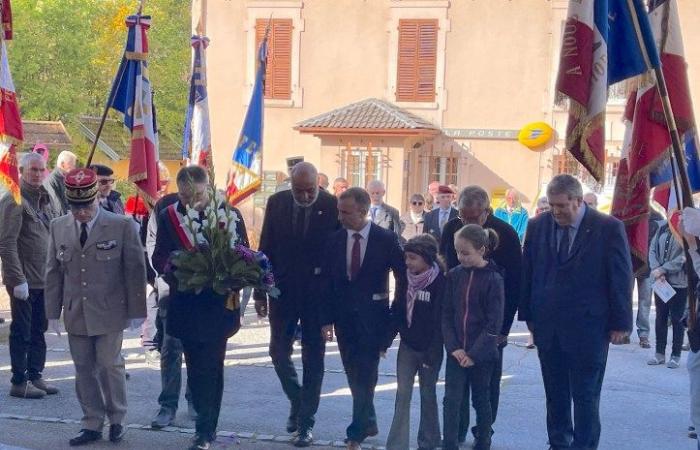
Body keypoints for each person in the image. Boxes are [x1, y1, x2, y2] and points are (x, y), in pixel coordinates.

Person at [519, 174, 632, 450]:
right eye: (552, 206)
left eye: (561, 206)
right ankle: (558, 443)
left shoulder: (608, 227)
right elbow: (529, 271)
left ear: (578, 201)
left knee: (585, 396)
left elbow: (620, 277)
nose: (556, 212)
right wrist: (528, 315)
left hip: (589, 329)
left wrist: (621, 323)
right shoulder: (538, 225)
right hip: (548, 328)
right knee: (555, 395)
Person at [44, 168, 147, 446]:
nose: (82, 213)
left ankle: (117, 419)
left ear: (97, 199)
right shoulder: (59, 227)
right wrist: (51, 314)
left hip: (110, 309)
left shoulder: (121, 225)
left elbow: (135, 268)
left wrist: (138, 309)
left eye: (86, 206)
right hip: (76, 311)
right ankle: (91, 422)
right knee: (83, 368)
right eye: (76, 208)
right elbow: (53, 272)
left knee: (108, 365)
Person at [152, 166, 249, 450]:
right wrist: (180, 269)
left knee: (213, 367)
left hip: (218, 305)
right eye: (183, 195)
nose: (188, 201)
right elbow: (159, 256)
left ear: (207, 188)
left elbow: (244, 252)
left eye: (194, 194)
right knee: (195, 367)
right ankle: (202, 424)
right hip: (186, 302)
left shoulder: (229, 214)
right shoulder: (169, 216)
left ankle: (207, 430)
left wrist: (230, 276)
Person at [254, 162, 340, 447]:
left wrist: (333, 303)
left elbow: (336, 255)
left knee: (313, 359)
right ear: (290, 185)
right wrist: (259, 291)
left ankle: (306, 423)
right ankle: (298, 399)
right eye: (298, 190)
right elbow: (265, 247)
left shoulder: (331, 205)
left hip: (317, 295)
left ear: (319, 184)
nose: (304, 196)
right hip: (283, 290)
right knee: (278, 352)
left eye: (310, 190)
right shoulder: (277, 202)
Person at [320, 187, 407, 450]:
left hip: (375, 319)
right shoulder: (334, 240)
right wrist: (326, 319)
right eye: (339, 211)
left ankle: (355, 432)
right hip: (344, 319)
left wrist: (394, 320)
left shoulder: (386, 239)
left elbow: (403, 280)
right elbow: (326, 283)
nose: (340, 216)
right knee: (352, 372)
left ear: (363, 211)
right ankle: (368, 420)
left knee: (366, 374)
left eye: (345, 212)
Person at [440, 186, 522, 443]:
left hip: (490, 329)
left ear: (487, 212)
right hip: (459, 326)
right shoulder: (451, 228)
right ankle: (457, 430)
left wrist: (502, 330)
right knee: (455, 390)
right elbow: (445, 270)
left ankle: (484, 431)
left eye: (474, 217)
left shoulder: (506, 233)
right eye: (463, 217)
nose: (467, 222)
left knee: (486, 389)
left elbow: (515, 284)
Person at [0, 152, 60, 399]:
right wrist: (17, 279)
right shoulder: (14, 199)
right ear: (22, 171)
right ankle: (19, 381)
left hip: (43, 278)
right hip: (24, 280)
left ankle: (35, 375)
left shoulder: (46, 199)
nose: (37, 174)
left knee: (38, 330)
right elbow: (6, 243)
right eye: (32, 170)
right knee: (22, 331)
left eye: (41, 170)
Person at [442, 224, 504, 450]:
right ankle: (449, 443)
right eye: (458, 252)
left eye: (466, 252)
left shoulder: (493, 279)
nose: (461, 257)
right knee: (451, 400)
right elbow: (446, 315)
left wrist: (474, 353)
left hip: (482, 355)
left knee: (481, 399)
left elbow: (493, 323)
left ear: (481, 249)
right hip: (456, 352)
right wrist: (454, 348)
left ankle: (483, 440)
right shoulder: (454, 276)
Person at [385, 234, 445, 450]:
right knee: (402, 395)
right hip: (407, 346)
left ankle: (428, 442)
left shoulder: (440, 282)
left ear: (427, 258)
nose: (408, 263)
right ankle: (397, 444)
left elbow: (441, 320)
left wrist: (432, 349)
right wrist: (386, 340)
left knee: (428, 394)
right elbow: (398, 310)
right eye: (406, 258)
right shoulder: (405, 278)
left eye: (413, 258)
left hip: (430, 348)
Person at [146, 176, 196, 429]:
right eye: (187, 194)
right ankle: (167, 405)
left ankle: (195, 400)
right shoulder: (166, 208)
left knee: (198, 351)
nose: (191, 200)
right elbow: (155, 248)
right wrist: (166, 273)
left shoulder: (217, 209)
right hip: (173, 291)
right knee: (171, 349)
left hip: (204, 295)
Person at [647, 219, 687, 369]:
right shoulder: (663, 227)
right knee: (661, 317)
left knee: (677, 319)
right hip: (661, 282)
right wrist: (657, 270)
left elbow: (684, 256)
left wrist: (663, 269)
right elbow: (652, 249)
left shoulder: (686, 229)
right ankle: (659, 354)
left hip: (679, 283)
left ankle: (675, 355)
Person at [636, 209, 663, 349]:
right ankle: (624, 331)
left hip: (648, 266)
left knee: (645, 301)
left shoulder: (657, 218)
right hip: (631, 264)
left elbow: (658, 246)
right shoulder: (630, 214)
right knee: (625, 299)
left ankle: (644, 334)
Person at [44, 150, 77, 215]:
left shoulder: (65, 180)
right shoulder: (52, 180)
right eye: (72, 165)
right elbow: (58, 209)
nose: (74, 168)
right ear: (62, 164)